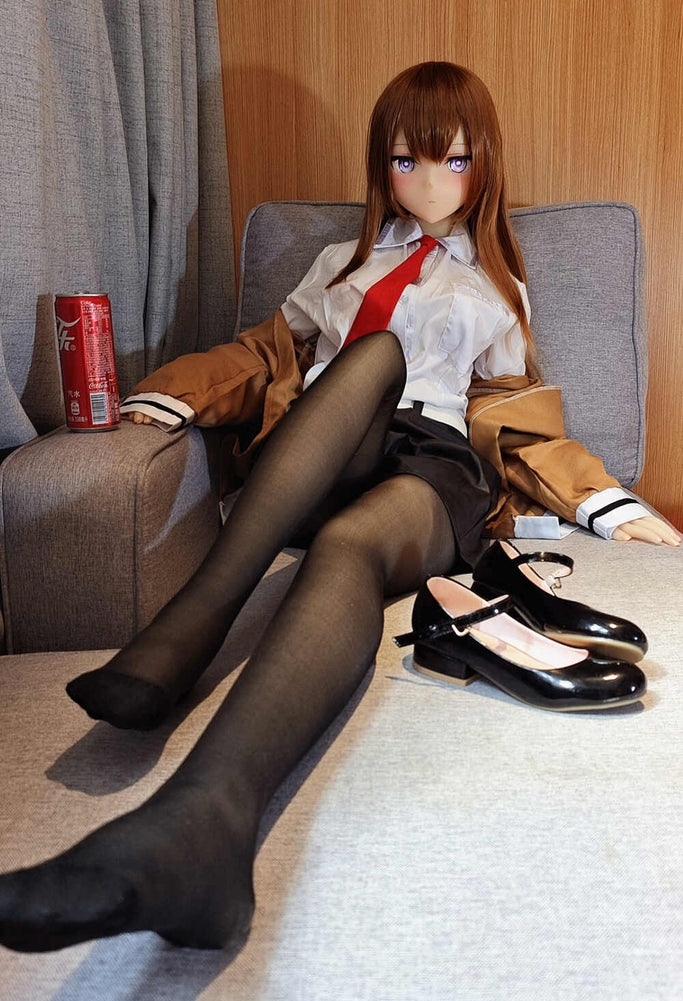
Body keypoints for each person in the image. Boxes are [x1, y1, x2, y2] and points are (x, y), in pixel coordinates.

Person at [0, 62, 678, 955]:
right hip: (323, 451)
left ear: (484, 166)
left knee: (351, 542)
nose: (428, 184)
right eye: (405, 162)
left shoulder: (498, 286)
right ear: (380, 166)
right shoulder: (339, 265)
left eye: (453, 162)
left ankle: (202, 824)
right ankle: (193, 629)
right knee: (372, 355)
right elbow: (260, 355)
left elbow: (512, 416)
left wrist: (601, 501)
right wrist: (176, 395)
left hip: (426, 472)